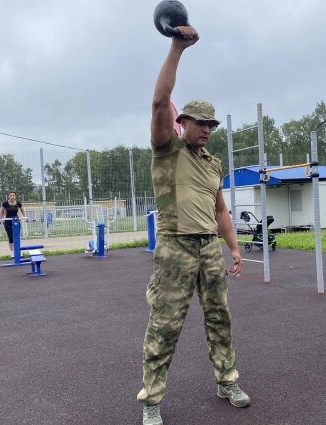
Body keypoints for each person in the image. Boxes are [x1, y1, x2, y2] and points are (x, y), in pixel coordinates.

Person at [137, 25, 249, 425]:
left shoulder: (213, 164)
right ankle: (151, 401)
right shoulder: (167, 150)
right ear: (182, 123)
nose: (206, 128)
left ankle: (227, 379)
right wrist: (176, 49)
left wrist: (233, 247)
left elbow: (221, 211)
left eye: (211, 124)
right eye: (199, 122)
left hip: (209, 250)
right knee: (165, 326)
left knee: (220, 317)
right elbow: (158, 101)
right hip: (175, 248)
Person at [0, 191, 27, 257]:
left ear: (15, 196)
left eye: (13, 195)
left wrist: (24, 216)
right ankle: (12, 252)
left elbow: (22, 209)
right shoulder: (5, 203)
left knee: (17, 236)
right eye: (11, 195)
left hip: (16, 221)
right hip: (8, 221)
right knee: (11, 237)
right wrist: (1, 219)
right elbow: (1, 211)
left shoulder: (18, 203)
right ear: (8, 196)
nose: (12, 196)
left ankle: (18, 251)